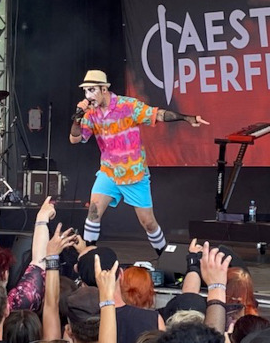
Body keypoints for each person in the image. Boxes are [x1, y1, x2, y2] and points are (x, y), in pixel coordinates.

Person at [69, 70, 209, 254]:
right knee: (93, 213)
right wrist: (78, 117)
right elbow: (75, 139)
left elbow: (157, 114)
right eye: (86, 91)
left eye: (92, 90)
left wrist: (186, 118)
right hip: (108, 171)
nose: (88, 95)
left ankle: (164, 255)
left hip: (133, 173)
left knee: (148, 223)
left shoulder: (128, 105)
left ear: (104, 89)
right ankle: (87, 256)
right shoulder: (90, 114)